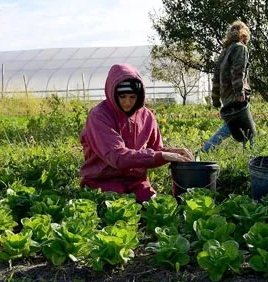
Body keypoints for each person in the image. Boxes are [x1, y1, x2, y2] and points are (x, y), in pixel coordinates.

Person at [79, 63, 193, 202]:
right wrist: (162, 155)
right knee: (115, 207)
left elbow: (154, 150)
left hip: (136, 182)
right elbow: (117, 156)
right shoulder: (99, 116)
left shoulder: (147, 116)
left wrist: (173, 152)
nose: (127, 102)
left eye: (132, 97)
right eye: (123, 96)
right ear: (113, 93)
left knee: (157, 206)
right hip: (103, 181)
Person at [202, 20, 256, 152]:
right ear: (244, 34)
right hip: (235, 96)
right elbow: (237, 72)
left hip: (226, 96)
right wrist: (240, 93)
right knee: (246, 130)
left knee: (239, 127)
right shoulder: (240, 48)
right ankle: (204, 151)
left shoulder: (225, 51)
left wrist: (215, 99)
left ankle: (247, 156)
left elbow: (216, 76)